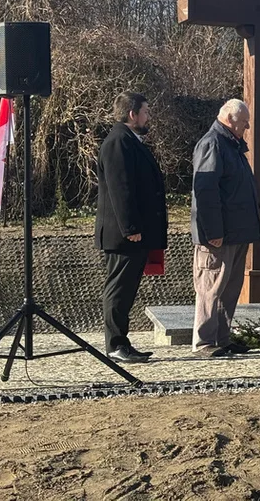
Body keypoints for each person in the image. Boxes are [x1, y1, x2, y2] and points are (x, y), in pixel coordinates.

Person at [94, 91, 168, 363]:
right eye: (146, 112)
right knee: (118, 289)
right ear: (132, 114)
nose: (149, 117)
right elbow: (120, 189)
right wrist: (130, 227)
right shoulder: (118, 142)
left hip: (133, 234)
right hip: (123, 235)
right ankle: (114, 345)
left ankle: (121, 341)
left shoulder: (130, 141)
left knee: (126, 290)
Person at [190, 99, 260, 357]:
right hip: (218, 236)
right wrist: (213, 232)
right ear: (231, 119)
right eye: (244, 122)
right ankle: (204, 342)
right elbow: (206, 191)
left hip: (237, 233)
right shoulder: (212, 144)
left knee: (229, 289)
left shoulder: (231, 145)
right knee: (211, 286)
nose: (247, 126)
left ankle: (222, 337)